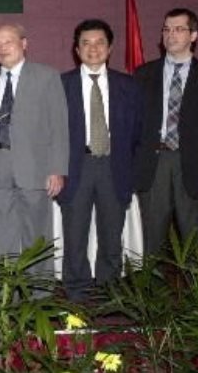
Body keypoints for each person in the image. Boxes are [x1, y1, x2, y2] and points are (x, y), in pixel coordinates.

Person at [134, 8, 198, 255]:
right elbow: (133, 127)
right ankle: (149, 293)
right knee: (150, 240)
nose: (170, 35)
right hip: (153, 164)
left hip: (194, 166)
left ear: (194, 35)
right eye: (166, 29)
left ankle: (197, 294)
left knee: (193, 242)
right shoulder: (143, 74)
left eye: (178, 29)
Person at [0, 24, 68, 275]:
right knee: (3, 236)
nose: (2, 48)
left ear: (24, 43)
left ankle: (38, 297)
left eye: (8, 42)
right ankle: (8, 296)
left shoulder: (47, 77)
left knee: (36, 236)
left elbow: (59, 126)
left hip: (35, 168)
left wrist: (57, 169)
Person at [59, 20, 142, 300]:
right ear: (76, 49)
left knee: (111, 236)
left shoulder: (129, 86)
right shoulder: (61, 85)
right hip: (75, 168)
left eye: (99, 43)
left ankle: (109, 292)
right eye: (86, 43)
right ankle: (76, 292)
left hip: (113, 167)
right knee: (75, 236)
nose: (92, 49)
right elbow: (52, 133)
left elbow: (138, 133)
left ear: (110, 48)